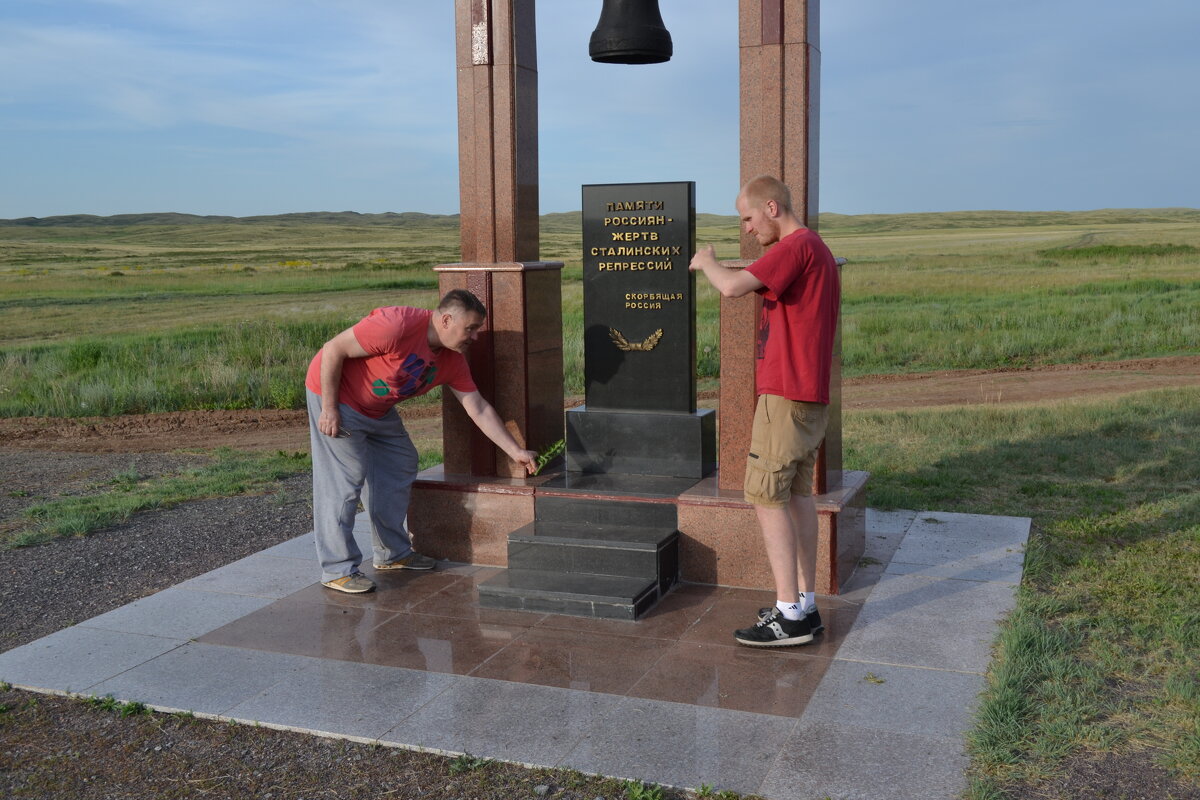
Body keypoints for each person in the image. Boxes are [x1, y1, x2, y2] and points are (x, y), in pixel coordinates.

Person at [689, 175, 840, 646]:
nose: (748, 230)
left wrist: (707, 263)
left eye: (749, 219)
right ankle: (804, 605)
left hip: (786, 397)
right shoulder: (814, 249)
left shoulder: (797, 246)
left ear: (772, 208)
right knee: (796, 498)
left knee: (765, 497)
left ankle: (788, 613)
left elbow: (733, 287)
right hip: (805, 398)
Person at [305, 289, 538, 593]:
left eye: (477, 329)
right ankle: (337, 569)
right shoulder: (396, 325)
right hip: (338, 399)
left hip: (378, 408)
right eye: (470, 328)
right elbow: (333, 349)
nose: (475, 337)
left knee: (401, 462)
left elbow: (477, 407)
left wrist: (515, 451)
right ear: (445, 319)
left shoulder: (451, 361)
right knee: (345, 480)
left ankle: (392, 554)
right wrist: (330, 409)